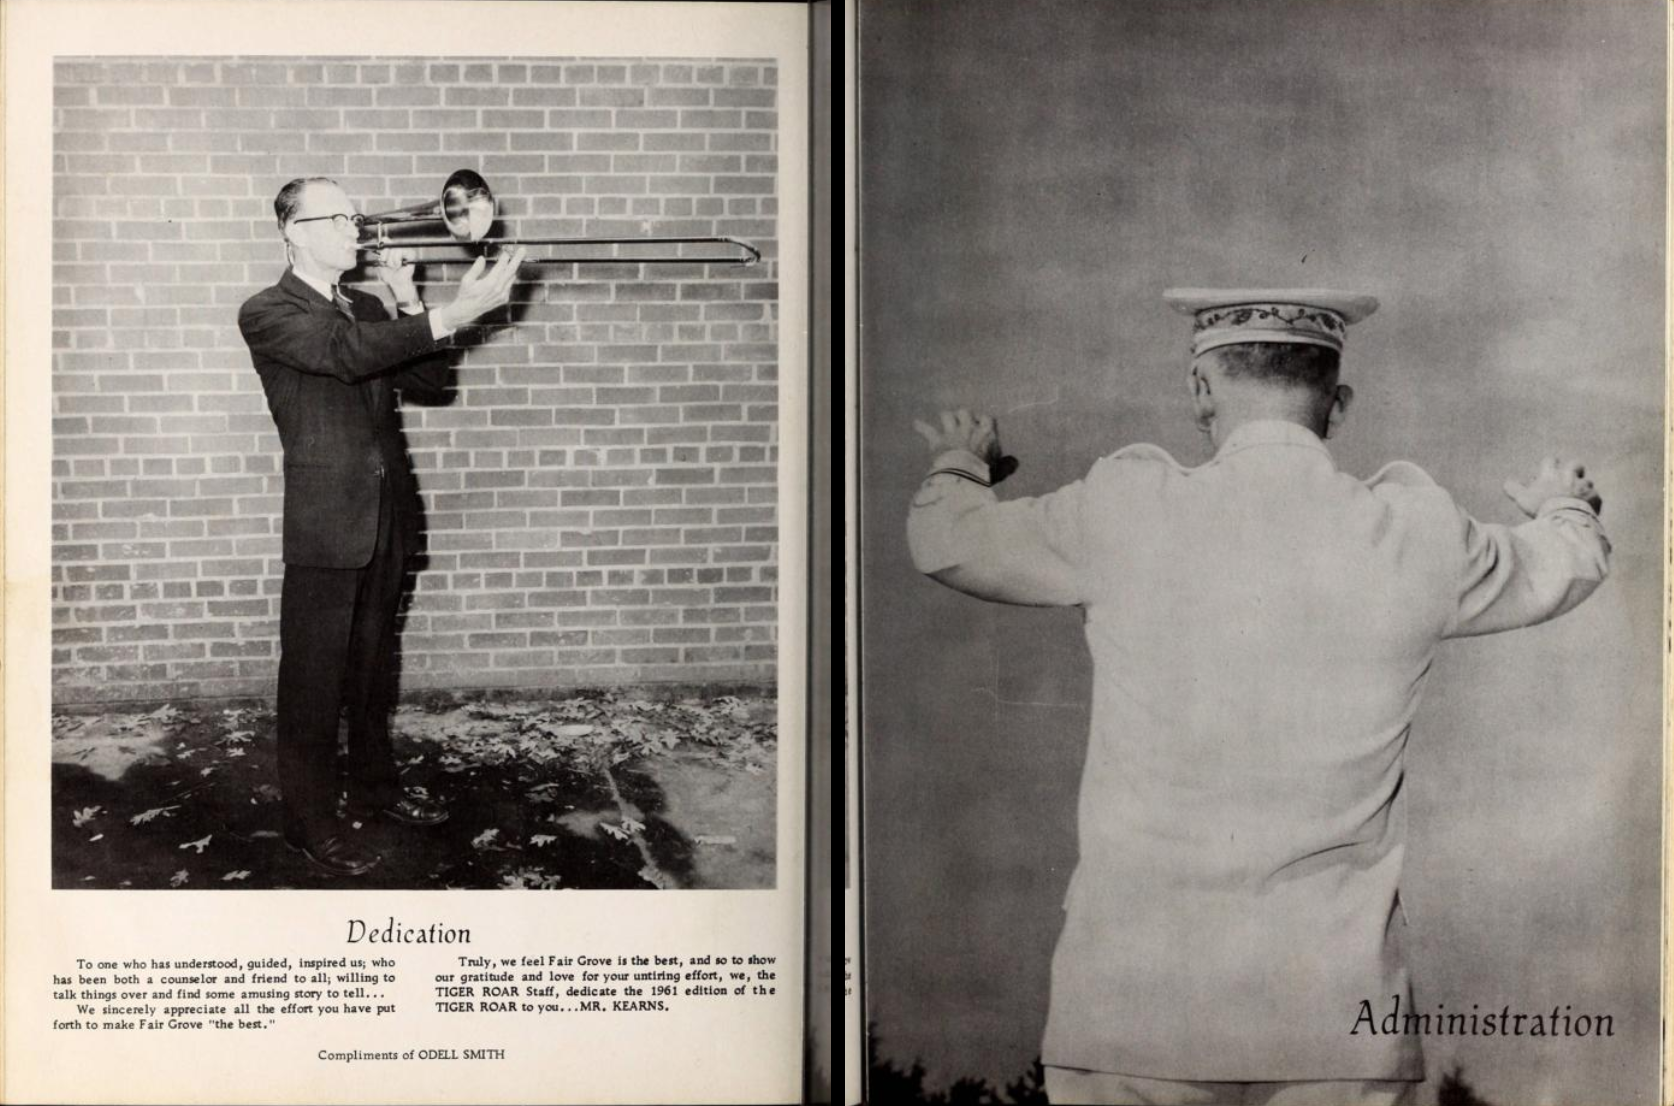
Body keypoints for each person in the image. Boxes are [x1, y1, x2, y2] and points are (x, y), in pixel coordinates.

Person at [906, 289, 1611, 1106]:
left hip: (1132, 1010)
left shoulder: (1125, 507)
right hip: (1336, 1021)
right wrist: (1566, 504)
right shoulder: (1420, 532)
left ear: (1201, 391)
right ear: (1337, 405)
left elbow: (947, 540)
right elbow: (1565, 566)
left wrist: (960, 462)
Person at [239, 176, 527, 877]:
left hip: (387, 512)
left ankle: (374, 789)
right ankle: (307, 821)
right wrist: (455, 313)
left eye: (353, 214)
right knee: (314, 680)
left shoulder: (367, 303)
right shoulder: (268, 311)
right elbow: (343, 355)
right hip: (327, 520)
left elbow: (434, 387)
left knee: (371, 667)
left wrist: (409, 301)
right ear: (293, 232)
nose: (354, 227)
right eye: (335, 217)